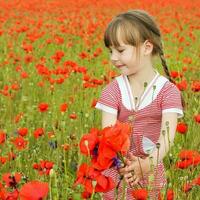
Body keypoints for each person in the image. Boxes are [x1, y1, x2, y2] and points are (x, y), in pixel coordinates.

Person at [95, 9, 185, 199]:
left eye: (120, 50)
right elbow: (109, 136)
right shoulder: (112, 91)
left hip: (151, 171)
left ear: (147, 47)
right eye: (110, 51)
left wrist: (147, 164)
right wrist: (124, 166)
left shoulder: (168, 91)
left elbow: (167, 136)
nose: (113, 57)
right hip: (118, 172)